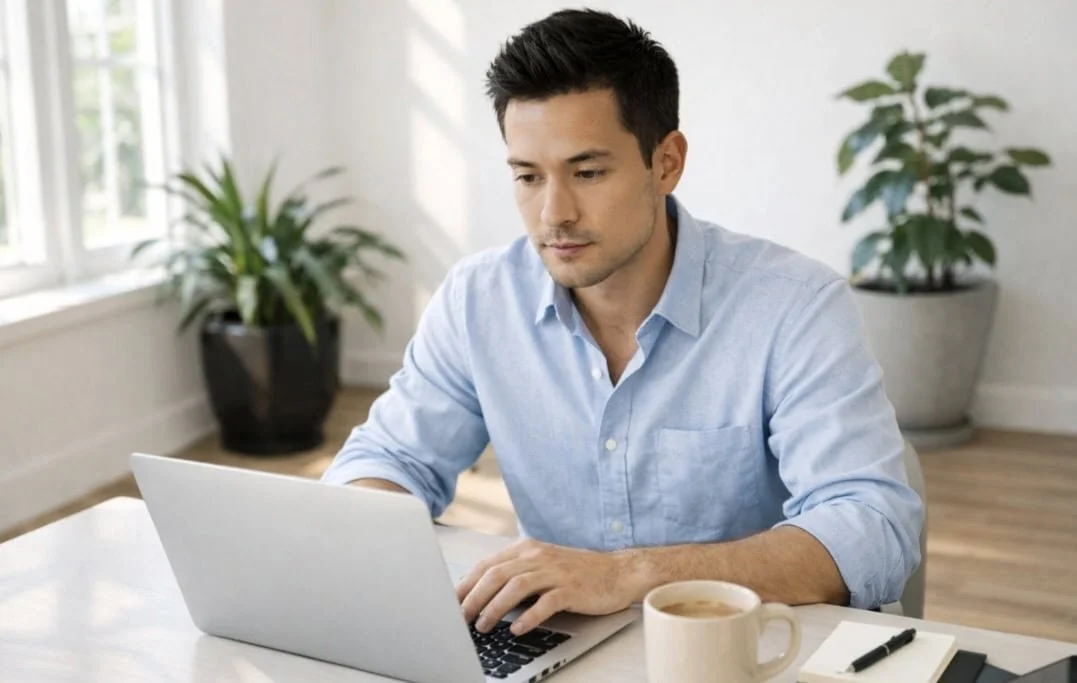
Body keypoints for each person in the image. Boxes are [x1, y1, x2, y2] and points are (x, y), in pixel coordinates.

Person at [322, 8, 922, 637]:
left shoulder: (795, 305)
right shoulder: (479, 300)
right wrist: (370, 529)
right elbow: (388, 460)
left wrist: (627, 576)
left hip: (747, 651)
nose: (553, 213)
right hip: (558, 647)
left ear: (665, 163)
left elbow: (872, 527)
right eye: (528, 176)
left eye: (587, 172)